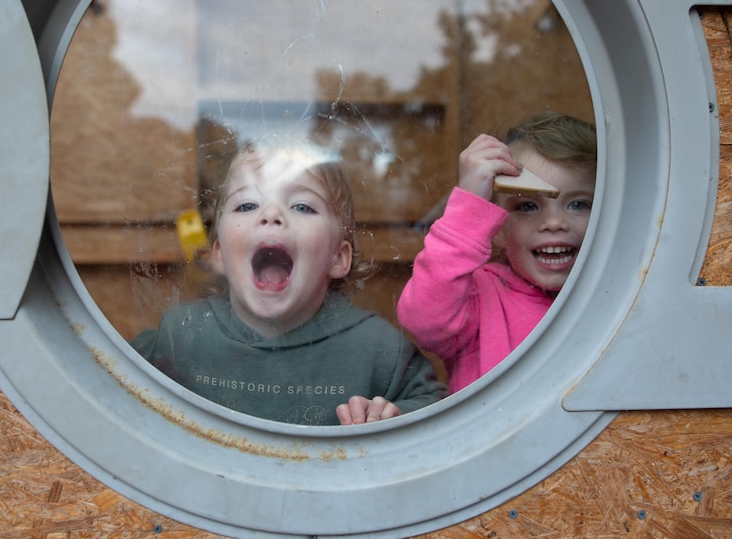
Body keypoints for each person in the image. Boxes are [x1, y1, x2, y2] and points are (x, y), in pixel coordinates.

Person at [132, 136, 446, 425]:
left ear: (338, 258)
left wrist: (391, 417)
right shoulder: (179, 336)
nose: (271, 214)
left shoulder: (379, 350)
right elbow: (104, 383)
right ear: (219, 255)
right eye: (247, 205)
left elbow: (445, 414)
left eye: (301, 206)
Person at [397, 113, 597, 393]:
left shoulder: (619, 292)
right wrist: (470, 205)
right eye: (527, 207)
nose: (554, 223)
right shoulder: (478, 297)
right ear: (498, 228)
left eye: (578, 204)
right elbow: (424, 319)